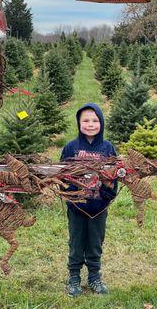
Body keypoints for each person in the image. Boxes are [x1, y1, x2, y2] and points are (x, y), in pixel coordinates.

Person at [60, 103, 117, 298]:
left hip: (99, 206)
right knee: (76, 241)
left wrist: (106, 198)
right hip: (77, 206)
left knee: (95, 242)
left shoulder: (108, 148)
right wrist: (71, 196)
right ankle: (74, 277)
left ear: (101, 122)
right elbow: (61, 176)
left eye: (95, 120)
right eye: (85, 120)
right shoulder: (71, 147)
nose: (90, 124)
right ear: (78, 123)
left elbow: (114, 177)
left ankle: (94, 276)